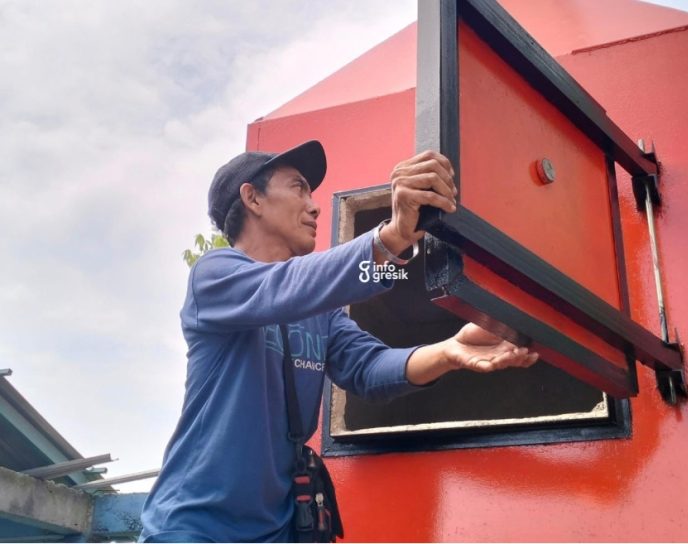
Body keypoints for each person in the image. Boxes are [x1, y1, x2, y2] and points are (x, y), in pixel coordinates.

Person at [139, 140, 538, 542]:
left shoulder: (319, 312)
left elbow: (368, 370)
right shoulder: (215, 276)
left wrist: (449, 350)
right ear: (252, 198)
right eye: (298, 188)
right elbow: (288, 286)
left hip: (278, 532)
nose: (314, 206)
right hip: (194, 529)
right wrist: (395, 235)